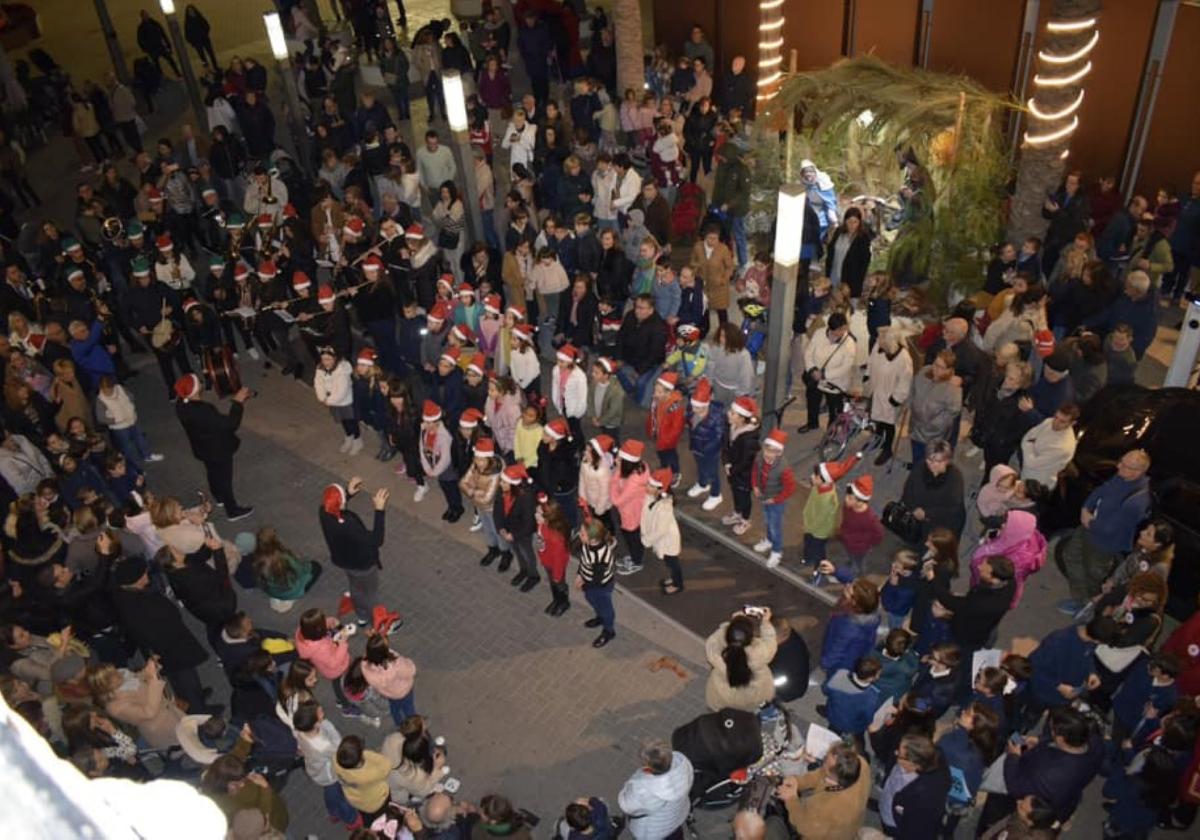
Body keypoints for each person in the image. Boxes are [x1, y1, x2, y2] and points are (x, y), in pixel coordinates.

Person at [977, 706, 1103, 834]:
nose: (1050, 733)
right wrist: (1041, 742)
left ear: (1061, 739)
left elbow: (1014, 787)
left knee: (995, 815)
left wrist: (1013, 756)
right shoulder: (1095, 743)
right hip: (1066, 798)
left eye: (1052, 730)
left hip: (1027, 798)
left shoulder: (1048, 776)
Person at [1057, 448, 1151, 614]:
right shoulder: (1121, 477)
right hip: (1088, 527)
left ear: (1139, 471)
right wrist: (1086, 508)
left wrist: (1090, 523)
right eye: (1121, 461)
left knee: (1094, 576)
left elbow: (1111, 528)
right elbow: (1101, 491)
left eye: (1126, 466)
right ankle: (1081, 598)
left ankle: (1090, 606)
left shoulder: (1136, 500)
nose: (1119, 467)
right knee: (1070, 555)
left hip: (1103, 543)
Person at [172, 374, 252, 519]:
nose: (202, 383)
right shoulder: (203, 410)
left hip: (203, 448)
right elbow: (230, 424)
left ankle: (218, 496)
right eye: (199, 383)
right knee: (225, 479)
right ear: (195, 391)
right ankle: (232, 510)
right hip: (218, 449)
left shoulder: (181, 404)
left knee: (212, 472)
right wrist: (238, 402)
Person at [318, 478, 391, 627]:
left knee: (356, 587)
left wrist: (348, 493)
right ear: (341, 503)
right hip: (363, 565)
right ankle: (378, 622)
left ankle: (361, 616)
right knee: (370, 593)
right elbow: (377, 540)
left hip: (344, 561)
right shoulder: (348, 523)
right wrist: (379, 510)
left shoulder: (323, 512)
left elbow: (336, 504)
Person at [775, 742, 870, 840]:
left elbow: (805, 827)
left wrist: (791, 800)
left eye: (824, 761)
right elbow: (823, 773)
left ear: (833, 780)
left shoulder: (828, 807)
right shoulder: (860, 763)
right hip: (848, 825)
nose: (822, 762)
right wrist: (799, 781)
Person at [617, 738, 694, 840]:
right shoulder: (683, 764)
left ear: (648, 768)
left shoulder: (643, 790)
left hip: (653, 830)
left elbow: (626, 806)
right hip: (677, 816)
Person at [879, 733, 952, 840]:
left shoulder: (923, 795)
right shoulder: (929, 755)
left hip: (895, 825)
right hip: (891, 806)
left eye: (899, 754)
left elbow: (915, 831)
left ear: (913, 763)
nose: (895, 753)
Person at [704, 609, 778, 712]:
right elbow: (770, 639)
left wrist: (731, 623)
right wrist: (765, 622)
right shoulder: (761, 653)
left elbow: (714, 641)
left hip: (721, 699)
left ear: (728, 636)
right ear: (751, 637)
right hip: (754, 697)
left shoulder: (714, 652)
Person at [800, 311, 857, 433]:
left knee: (834, 409)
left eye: (843, 329)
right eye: (838, 330)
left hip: (835, 383)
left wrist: (825, 375)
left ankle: (831, 432)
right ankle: (812, 423)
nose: (841, 333)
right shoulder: (819, 333)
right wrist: (812, 369)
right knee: (812, 402)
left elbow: (845, 366)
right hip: (815, 378)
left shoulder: (849, 343)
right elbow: (809, 352)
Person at [899, 440, 966, 541]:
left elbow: (953, 509)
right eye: (929, 460)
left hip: (942, 525)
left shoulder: (955, 477)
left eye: (937, 461)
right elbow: (908, 491)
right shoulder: (920, 467)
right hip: (917, 520)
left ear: (947, 460)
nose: (931, 465)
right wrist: (914, 509)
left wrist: (927, 514)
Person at [335, 734, 395, 824]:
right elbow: (387, 765)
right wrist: (365, 754)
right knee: (382, 815)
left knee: (367, 817)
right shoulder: (369, 774)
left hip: (355, 798)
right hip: (376, 802)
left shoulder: (335, 760)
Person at [642, 467, 684, 595]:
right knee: (670, 562)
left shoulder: (664, 506)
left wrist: (646, 540)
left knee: (672, 562)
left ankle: (678, 584)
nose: (647, 486)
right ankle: (674, 579)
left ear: (659, 489)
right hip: (662, 538)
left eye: (650, 485)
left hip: (667, 540)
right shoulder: (654, 497)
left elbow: (661, 530)